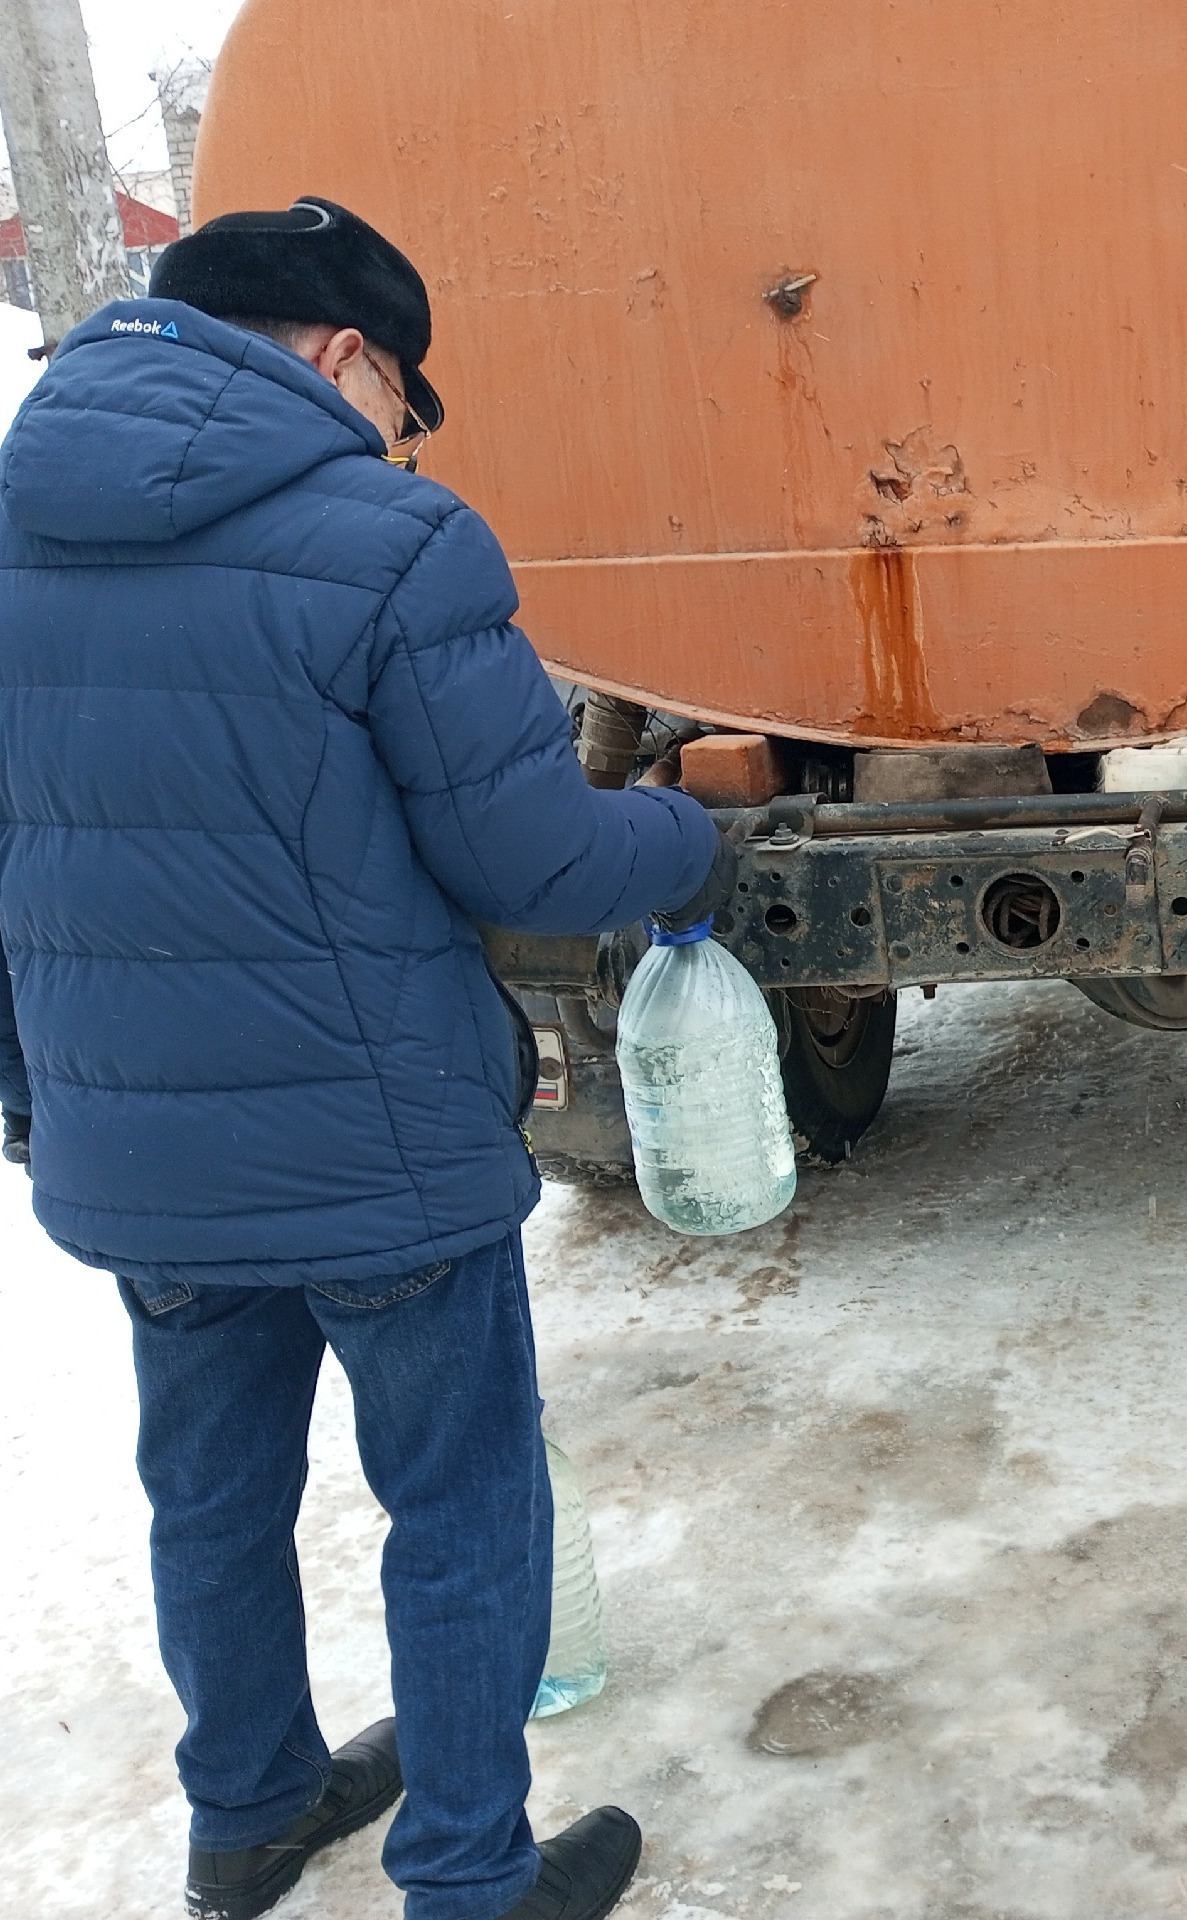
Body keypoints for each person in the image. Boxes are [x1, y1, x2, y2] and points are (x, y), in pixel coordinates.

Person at [0, 199, 730, 1920]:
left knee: (211, 1498)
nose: (399, 437)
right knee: (463, 1502)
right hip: (380, 1154)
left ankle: (247, 1812)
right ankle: (470, 1878)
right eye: (404, 397)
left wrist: (36, 1100)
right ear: (346, 356)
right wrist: (685, 847)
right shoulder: (394, 544)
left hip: (141, 1158)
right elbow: (531, 859)